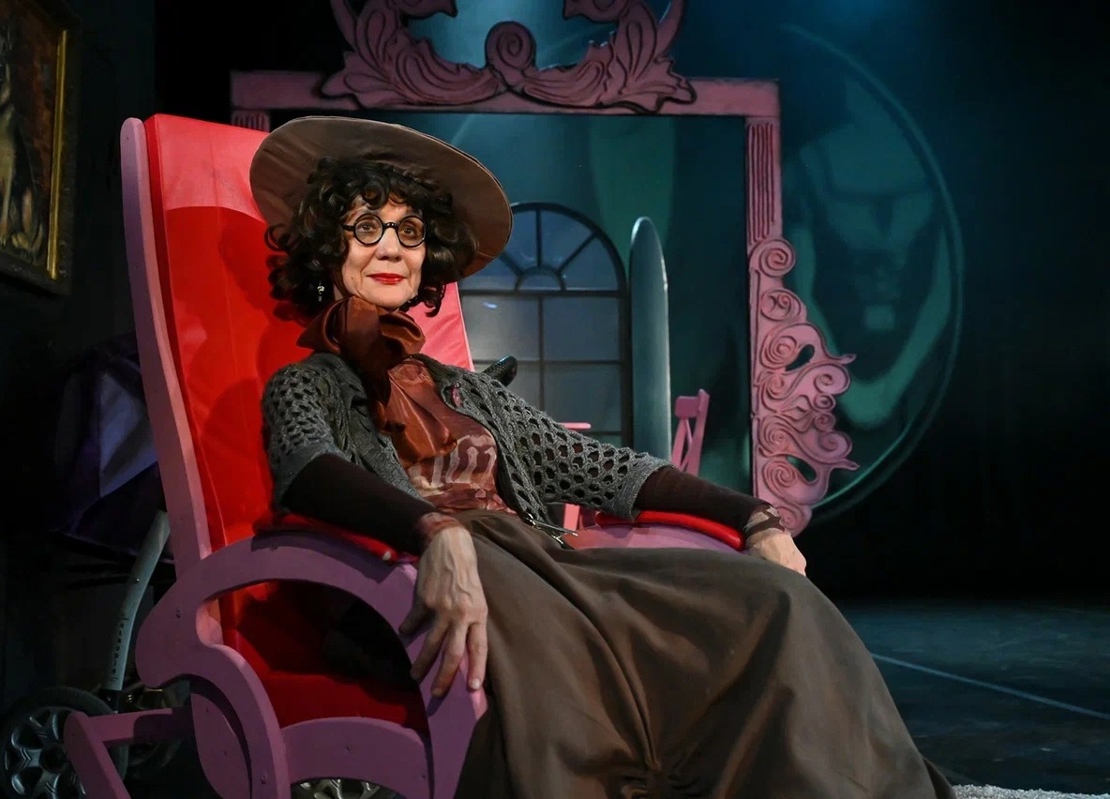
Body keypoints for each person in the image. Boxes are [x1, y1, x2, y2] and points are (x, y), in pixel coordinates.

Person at [251, 116, 955, 799]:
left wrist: (756, 517)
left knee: (773, 599)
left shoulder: (467, 390)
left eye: (409, 232)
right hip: (415, 592)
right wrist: (434, 530)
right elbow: (307, 469)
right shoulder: (306, 382)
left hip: (543, 570)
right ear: (328, 249)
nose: (391, 249)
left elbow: (603, 467)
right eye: (366, 228)